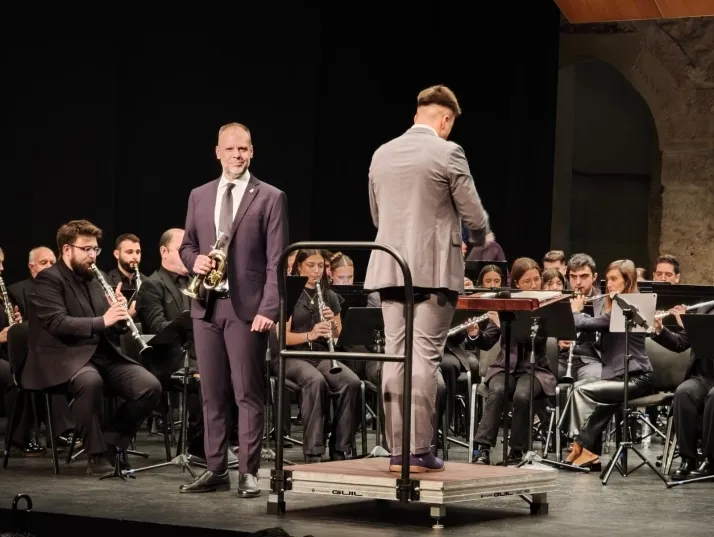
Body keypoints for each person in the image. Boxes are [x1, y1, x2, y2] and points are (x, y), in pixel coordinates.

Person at [364, 85, 490, 472]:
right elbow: (474, 215)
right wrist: (477, 238)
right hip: (434, 270)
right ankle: (418, 450)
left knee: (395, 355)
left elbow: (377, 215)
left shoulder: (381, 153)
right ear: (446, 119)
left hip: (389, 267)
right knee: (423, 358)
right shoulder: (448, 151)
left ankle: (396, 450)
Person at [179, 122, 288, 497]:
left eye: (243, 149)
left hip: (247, 311)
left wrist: (269, 308)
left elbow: (277, 261)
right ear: (217, 152)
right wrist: (193, 261)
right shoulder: (199, 194)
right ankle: (215, 469)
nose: (237, 155)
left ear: (252, 152)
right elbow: (187, 245)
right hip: (206, 306)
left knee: (247, 394)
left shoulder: (271, 196)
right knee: (211, 393)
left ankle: (248, 472)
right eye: (230, 149)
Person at [22, 220, 162, 475]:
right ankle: (95, 456)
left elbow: (110, 327)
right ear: (67, 250)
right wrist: (103, 320)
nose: (92, 255)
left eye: (95, 249)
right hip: (62, 356)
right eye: (86, 249)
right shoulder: (48, 280)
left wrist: (119, 316)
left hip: (100, 354)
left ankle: (110, 444)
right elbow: (56, 322)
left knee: (149, 386)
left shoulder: (97, 278)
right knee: (90, 381)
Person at [652, 302, 714, 478]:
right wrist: (660, 329)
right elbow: (680, 343)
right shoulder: (705, 311)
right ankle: (688, 459)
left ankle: (710, 460)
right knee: (684, 393)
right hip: (704, 377)